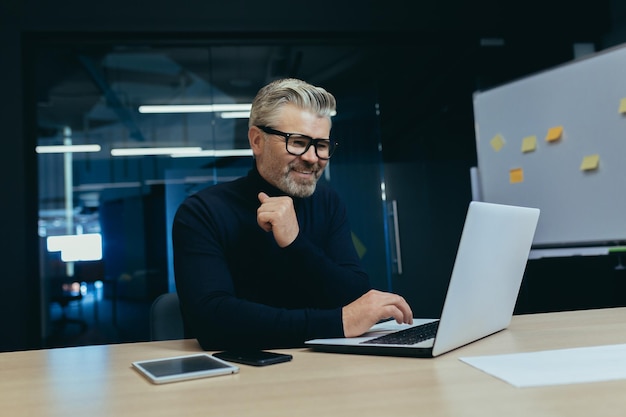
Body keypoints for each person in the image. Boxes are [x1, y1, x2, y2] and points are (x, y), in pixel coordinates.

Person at [172, 78, 412, 350]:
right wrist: (337, 322)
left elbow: (355, 296)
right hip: (241, 378)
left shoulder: (327, 201)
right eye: (297, 142)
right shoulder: (201, 212)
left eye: (321, 145)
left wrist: (295, 244)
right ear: (257, 141)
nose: (313, 157)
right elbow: (212, 323)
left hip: (325, 368)